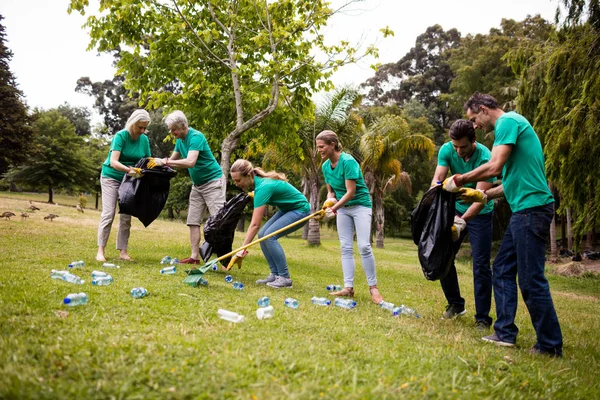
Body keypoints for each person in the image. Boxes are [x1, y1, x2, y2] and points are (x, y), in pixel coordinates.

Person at [443, 92, 562, 356]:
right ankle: (505, 333)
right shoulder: (512, 126)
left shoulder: (507, 122)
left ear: (484, 109)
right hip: (524, 210)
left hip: (532, 210)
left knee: (531, 279)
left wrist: (461, 179)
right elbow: (508, 183)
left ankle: (550, 345)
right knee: (503, 269)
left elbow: (494, 167)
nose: (475, 126)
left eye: (474, 119)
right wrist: (481, 194)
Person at [431, 119, 494, 330]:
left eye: (463, 147)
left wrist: (462, 221)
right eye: (455, 146)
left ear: (474, 141)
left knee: (481, 265)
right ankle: (456, 304)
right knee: (443, 256)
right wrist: (440, 187)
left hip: (480, 212)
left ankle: (483, 318)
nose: (458, 151)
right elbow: (437, 181)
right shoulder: (447, 150)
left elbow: (480, 197)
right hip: (454, 209)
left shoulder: (486, 157)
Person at [315, 130, 384, 304]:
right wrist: (328, 203)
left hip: (360, 205)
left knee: (364, 246)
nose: (319, 150)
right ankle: (348, 288)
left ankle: (373, 289)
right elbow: (332, 191)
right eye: (317, 147)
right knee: (345, 247)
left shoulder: (347, 161)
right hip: (343, 208)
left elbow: (351, 192)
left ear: (332, 145)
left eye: (321, 147)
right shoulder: (325, 166)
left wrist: (333, 210)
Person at [150, 110, 225, 264]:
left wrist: (165, 161)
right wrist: (155, 167)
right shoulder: (180, 140)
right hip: (197, 185)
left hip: (213, 182)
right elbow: (172, 161)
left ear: (183, 125)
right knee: (193, 220)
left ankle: (225, 259)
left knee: (219, 222)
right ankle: (194, 257)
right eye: (170, 130)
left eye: (174, 129)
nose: (172, 133)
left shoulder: (196, 137)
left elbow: (190, 161)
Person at [228, 159, 311, 288]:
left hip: (300, 210)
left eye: (238, 180)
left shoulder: (263, 187)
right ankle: (275, 274)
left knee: (270, 236)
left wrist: (242, 249)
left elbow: (255, 224)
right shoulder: (260, 185)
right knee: (263, 235)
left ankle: (284, 278)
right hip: (287, 209)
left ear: (249, 175)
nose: (236, 184)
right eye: (234, 181)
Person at [96, 109, 152, 262]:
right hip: (111, 176)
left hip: (130, 180)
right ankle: (100, 251)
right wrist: (130, 170)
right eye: (139, 127)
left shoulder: (144, 139)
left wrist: (156, 166)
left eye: (144, 128)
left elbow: (147, 160)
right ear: (132, 123)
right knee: (108, 214)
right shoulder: (121, 136)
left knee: (126, 216)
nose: (142, 131)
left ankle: (123, 251)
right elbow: (114, 162)